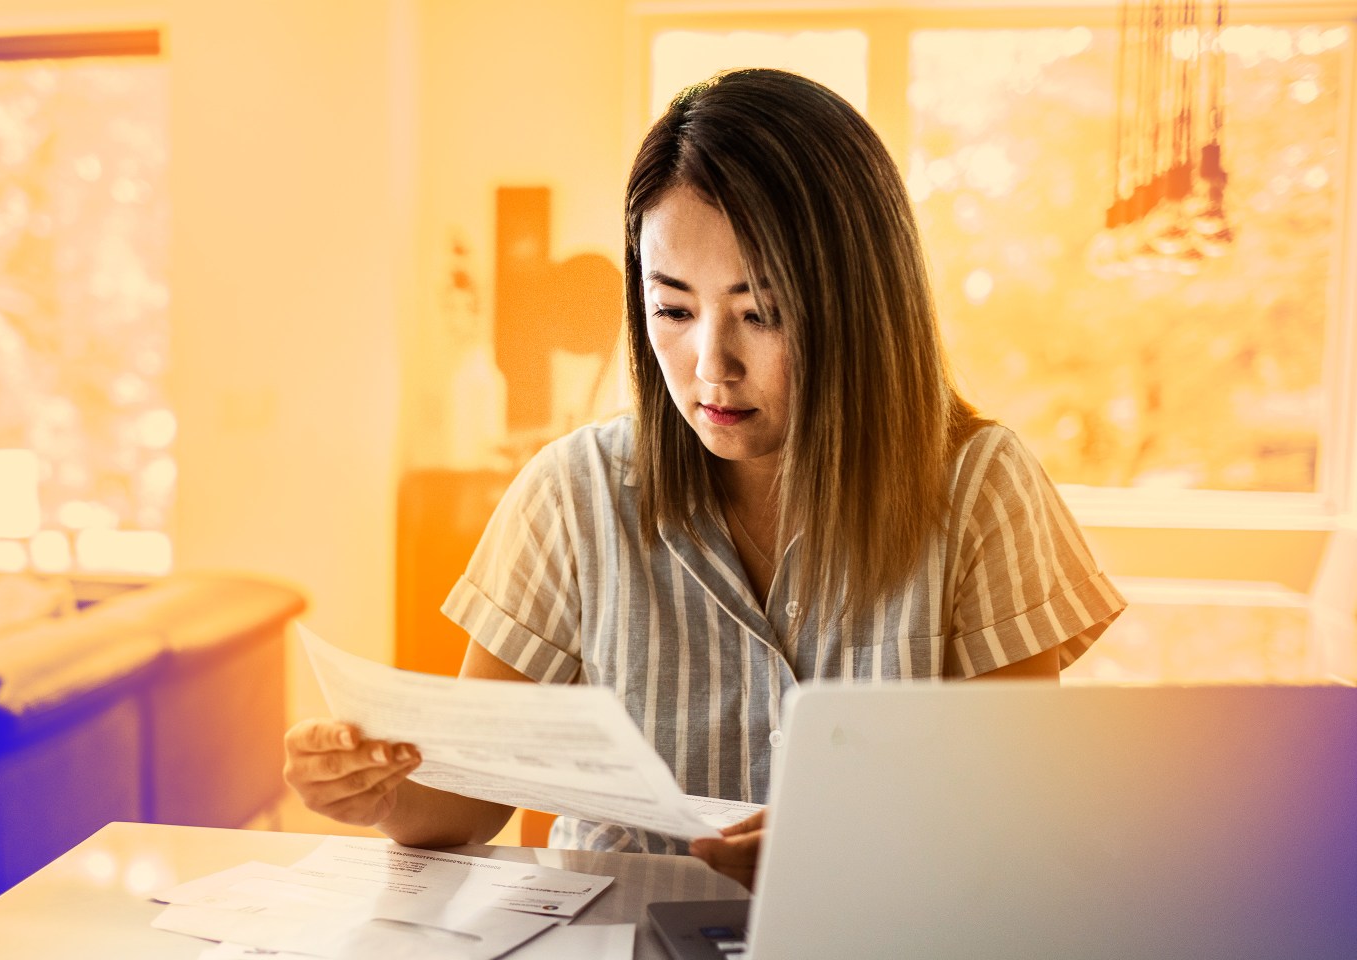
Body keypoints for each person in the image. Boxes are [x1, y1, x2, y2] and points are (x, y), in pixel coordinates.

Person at [284, 68, 1126, 891]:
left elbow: (1019, 808)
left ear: (861, 303)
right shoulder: (573, 493)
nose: (709, 366)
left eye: (762, 313)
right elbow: (469, 802)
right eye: (674, 310)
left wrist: (849, 839)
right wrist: (384, 792)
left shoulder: (981, 486)